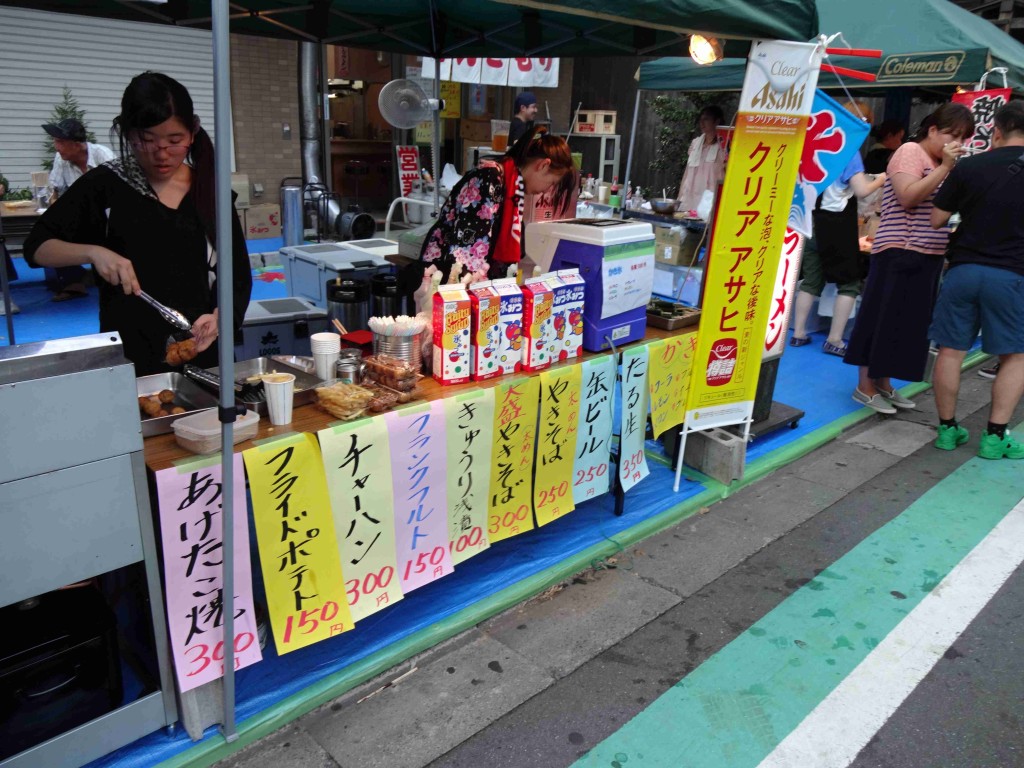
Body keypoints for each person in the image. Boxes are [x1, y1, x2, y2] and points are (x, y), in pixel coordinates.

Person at [25, 72, 252, 376]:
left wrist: (221, 316)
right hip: (131, 354)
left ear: (193, 132)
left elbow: (236, 274)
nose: (161, 154)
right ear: (127, 133)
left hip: (204, 348)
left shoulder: (209, 189)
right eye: (146, 141)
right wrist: (94, 252)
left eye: (175, 141)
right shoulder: (106, 185)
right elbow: (37, 247)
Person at [842, 103, 974, 414]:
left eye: (963, 138)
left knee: (903, 324)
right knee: (880, 317)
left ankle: (884, 384)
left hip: (928, 253)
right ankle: (865, 386)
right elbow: (907, 195)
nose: (957, 143)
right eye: (951, 135)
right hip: (899, 249)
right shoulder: (910, 151)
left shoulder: (942, 161)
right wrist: (944, 169)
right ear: (932, 130)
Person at [928, 101, 1024, 458]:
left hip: (963, 271)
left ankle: (948, 430)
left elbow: (937, 219)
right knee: (1015, 356)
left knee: (950, 351)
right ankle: (995, 436)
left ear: (997, 131)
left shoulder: (968, 166)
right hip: (1013, 276)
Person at [417, 126, 576, 284]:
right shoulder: (490, 178)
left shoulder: (512, 187)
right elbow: (467, 251)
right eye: (552, 183)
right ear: (543, 165)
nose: (546, 190)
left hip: (467, 278)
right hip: (444, 277)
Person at [789, 153, 886, 355]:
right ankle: (834, 339)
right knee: (849, 283)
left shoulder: (816, 146)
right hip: (837, 225)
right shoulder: (849, 150)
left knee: (811, 280)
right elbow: (862, 190)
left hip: (810, 220)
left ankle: (798, 334)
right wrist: (882, 178)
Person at [42, 118, 116, 301]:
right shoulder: (61, 158)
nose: (56, 146)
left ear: (77, 145)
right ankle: (73, 282)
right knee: (51, 231)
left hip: (110, 216)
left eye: (60, 142)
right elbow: (53, 187)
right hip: (83, 215)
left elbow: (119, 193)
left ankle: (113, 277)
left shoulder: (103, 156)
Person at [675, 105, 726, 214]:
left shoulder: (724, 145)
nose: (702, 123)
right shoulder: (695, 143)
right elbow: (687, 172)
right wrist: (679, 199)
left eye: (706, 119)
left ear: (716, 121)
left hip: (709, 199)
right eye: (700, 119)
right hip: (690, 198)